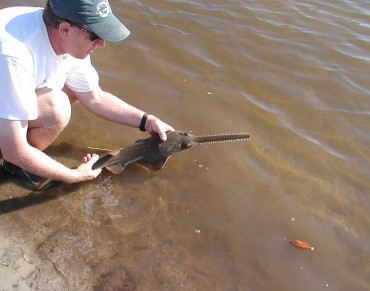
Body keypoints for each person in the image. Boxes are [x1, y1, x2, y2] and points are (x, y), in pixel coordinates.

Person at [0, 0, 174, 188]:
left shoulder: (66, 35)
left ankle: (25, 154)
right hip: (7, 78)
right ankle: (18, 166)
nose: (102, 43)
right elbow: (14, 149)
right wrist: (72, 175)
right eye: (95, 35)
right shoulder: (14, 55)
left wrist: (147, 120)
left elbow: (95, 98)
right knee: (57, 108)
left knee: (73, 91)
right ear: (65, 29)